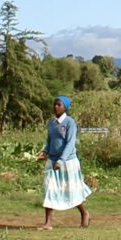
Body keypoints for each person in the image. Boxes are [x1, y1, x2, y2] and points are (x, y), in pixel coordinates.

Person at [40, 95, 93, 229]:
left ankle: (84, 213)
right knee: (49, 189)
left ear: (65, 107)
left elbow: (70, 144)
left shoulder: (70, 123)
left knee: (71, 190)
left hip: (67, 161)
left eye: (59, 105)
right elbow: (49, 140)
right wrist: (45, 152)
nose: (56, 107)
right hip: (52, 160)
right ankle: (48, 223)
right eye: (55, 104)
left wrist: (61, 160)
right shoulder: (51, 123)